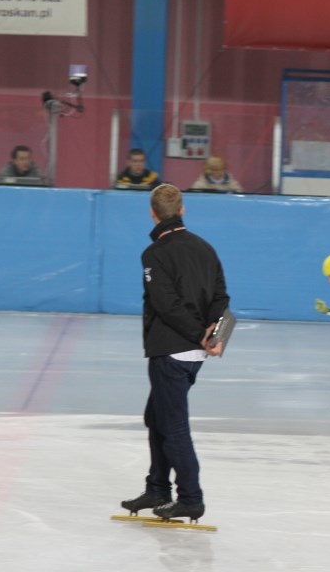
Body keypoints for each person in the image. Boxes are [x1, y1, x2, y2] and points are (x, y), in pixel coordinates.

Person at [120, 183, 229, 522]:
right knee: (156, 418)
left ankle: (190, 498)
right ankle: (157, 488)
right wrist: (216, 335)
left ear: (152, 214)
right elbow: (221, 298)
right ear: (182, 210)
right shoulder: (206, 248)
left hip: (171, 351)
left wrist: (200, 335)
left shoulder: (154, 254)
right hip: (193, 354)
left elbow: (166, 305)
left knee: (174, 426)